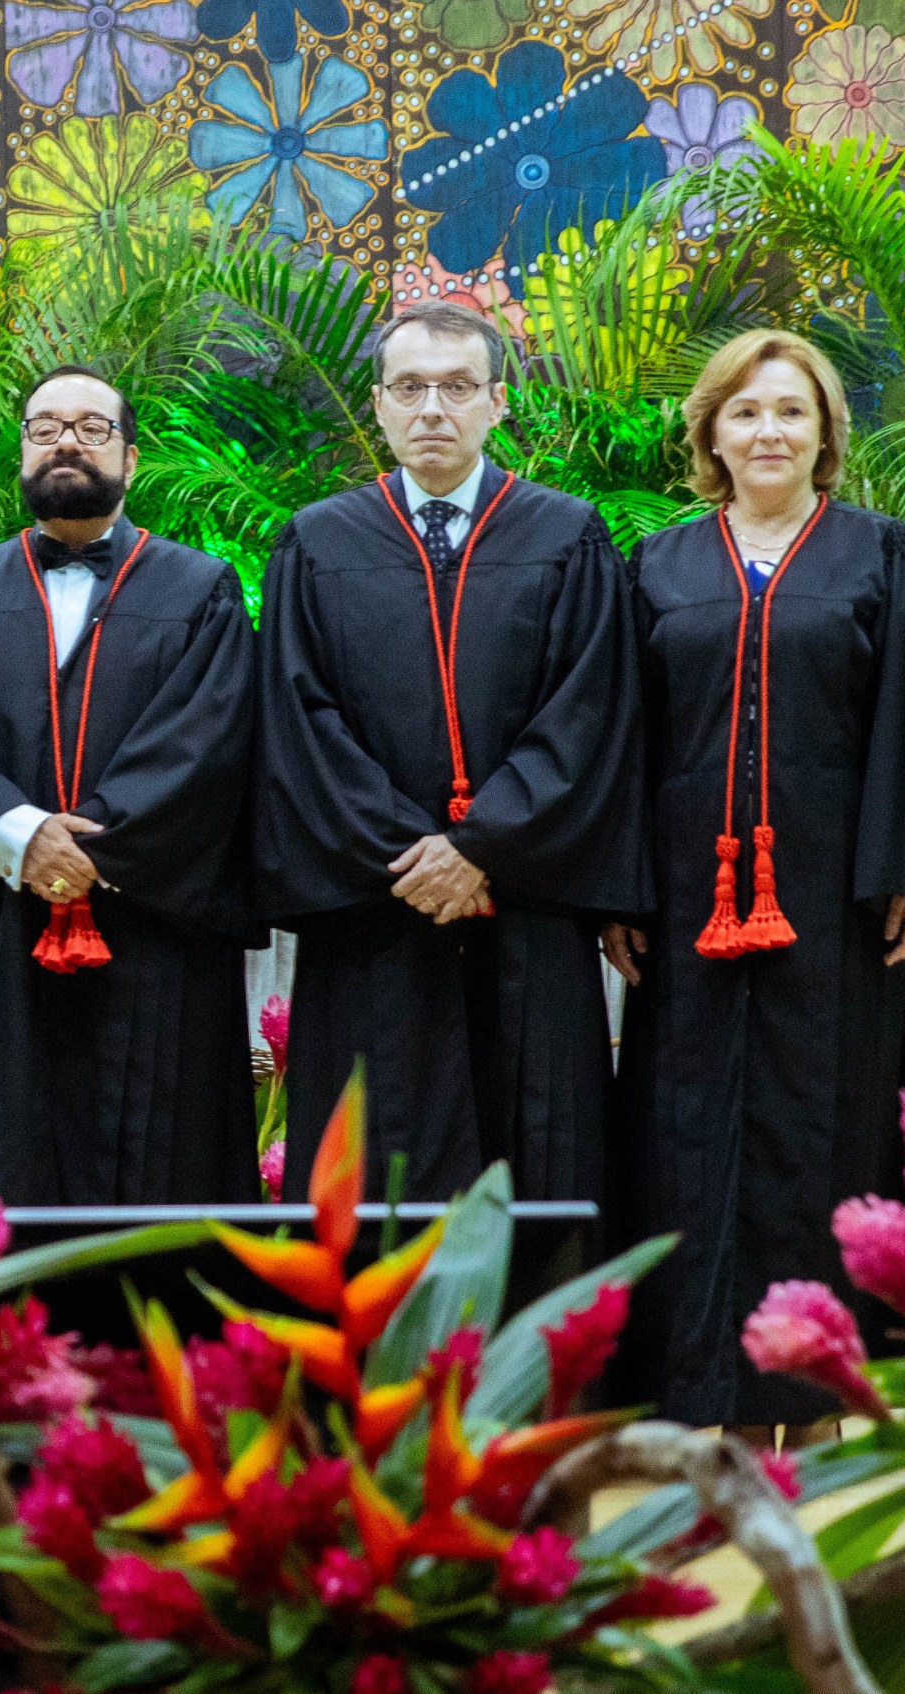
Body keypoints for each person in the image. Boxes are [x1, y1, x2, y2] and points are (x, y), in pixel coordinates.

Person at [604, 330, 905, 1437]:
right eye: (743, 412)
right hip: (688, 908)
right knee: (688, 1140)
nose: (767, 430)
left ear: (826, 432)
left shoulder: (879, 555)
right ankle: (708, 1397)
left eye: (790, 410)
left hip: (838, 912)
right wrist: (622, 895)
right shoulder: (660, 567)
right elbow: (619, 741)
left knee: (835, 1131)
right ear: (709, 435)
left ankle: (829, 1394)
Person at [254, 302, 649, 1203]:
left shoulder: (566, 534)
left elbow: (588, 714)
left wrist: (480, 848)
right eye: (411, 388)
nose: (433, 408)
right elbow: (297, 721)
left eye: (457, 387)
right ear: (380, 406)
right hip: (375, 908)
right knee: (373, 1176)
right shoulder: (318, 542)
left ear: (497, 403)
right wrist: (411, 855)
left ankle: (548, 1349)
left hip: (526, 910)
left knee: (539, 1162)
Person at [0, 366, 259, 1203]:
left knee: (164, 1166)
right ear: (20, 452)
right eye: (44, 426)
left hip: (156, 928)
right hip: (1, 924)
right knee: (4, 1155)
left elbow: (209, 747)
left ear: (130, 458)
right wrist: (21, 838)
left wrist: (92, 846)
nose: (66, 441)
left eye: (92, 429)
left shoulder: (200, 590)